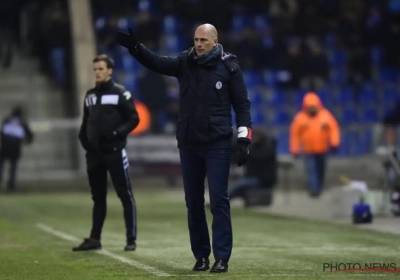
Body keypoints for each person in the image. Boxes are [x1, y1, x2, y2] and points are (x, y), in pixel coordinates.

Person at [117, 23, 252, 273]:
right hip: (189, 143)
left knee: (219, 201)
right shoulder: (184, 62)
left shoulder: (229, 67)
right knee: (193, 202)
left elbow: (242, 105)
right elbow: (157, 63)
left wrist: (243, 139)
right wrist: (136, 48)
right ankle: (201, 256)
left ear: (215, 41)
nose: (198, 44)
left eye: (203, 40)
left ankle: (221, 258)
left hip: (218, 143)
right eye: (196, 40)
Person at [72, 54, 140, 252]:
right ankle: (94, 239)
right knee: (98, 197)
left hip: (114, 152)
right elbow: (86, 123)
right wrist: (85, 141)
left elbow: (133, 118)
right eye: (95, 69)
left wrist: (117, 134)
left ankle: (131, 239)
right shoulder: (90, 95)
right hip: (94, 154)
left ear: (110, 70)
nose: (98, 72)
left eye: (101, 69)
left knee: (124, 195)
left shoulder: (120, 93)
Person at [289, 92, 340, 197]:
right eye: (310, 107)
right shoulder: (300, 118)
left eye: (314, 107)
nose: (312, 110)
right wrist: (295, 149)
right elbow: (295, 134)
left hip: (323, 149)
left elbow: (334, 129)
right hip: (308, 150)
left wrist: (334, 143)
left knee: (321, 170)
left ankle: (319, 187)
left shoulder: (325, 116)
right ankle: (314, 189)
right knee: (311, 170)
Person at [228, 127, 277, 202]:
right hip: (254, 176)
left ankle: (223, 201)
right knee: (237, 183)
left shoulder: (267, 148)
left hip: (263, 179)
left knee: (241, 184)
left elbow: (258, 158)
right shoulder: (255, 147)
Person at [0, 105, 34, 191]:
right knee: (13, 166)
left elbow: (2, 133)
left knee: (2, 165)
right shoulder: (22, 122)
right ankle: (11, 184)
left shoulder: (7, 120)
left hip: (5, 147)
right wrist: (27, 141)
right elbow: (29, 135)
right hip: (15, 148)